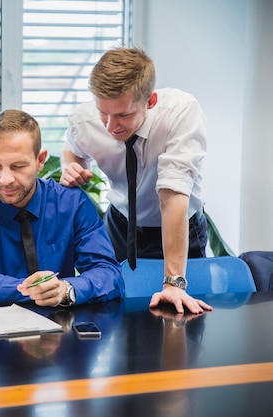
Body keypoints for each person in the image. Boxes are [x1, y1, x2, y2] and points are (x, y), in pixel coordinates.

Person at [60, 46, 212, 315]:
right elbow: (73, 149)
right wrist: (72, 166)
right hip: (120, 225)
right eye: (103, 112)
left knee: (183, 316)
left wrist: (174, 283)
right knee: (115, 313)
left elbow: (173, 195)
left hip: (179, 226)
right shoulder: (85, 121)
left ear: (150, 101)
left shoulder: (181, 113)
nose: (110, 126)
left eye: (123, 115)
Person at [0, 109, 123, 308]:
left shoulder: (71, 203)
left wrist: (66, 289)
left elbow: (109, 275)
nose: (5, 179)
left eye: (18, 166)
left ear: (40, 160)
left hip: (61, 332)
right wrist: (41, 290)